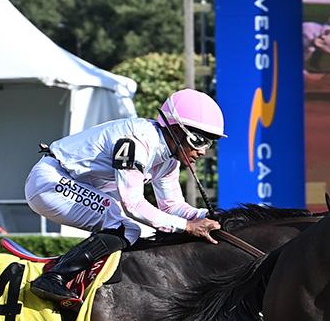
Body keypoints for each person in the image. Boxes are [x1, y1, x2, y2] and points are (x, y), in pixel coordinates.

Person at [24, 88, 225, 306]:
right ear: (176, 130)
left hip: (76, 183)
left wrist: (210, 216)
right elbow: (133, 205)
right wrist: (187, 226)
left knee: (147, 230)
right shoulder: (138, 141)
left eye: (209, 143)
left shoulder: (169, 158)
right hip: (51, 181)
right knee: (127, 224)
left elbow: (172, 207)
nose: (203, 151)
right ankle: (55, 277)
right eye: (199, 140)